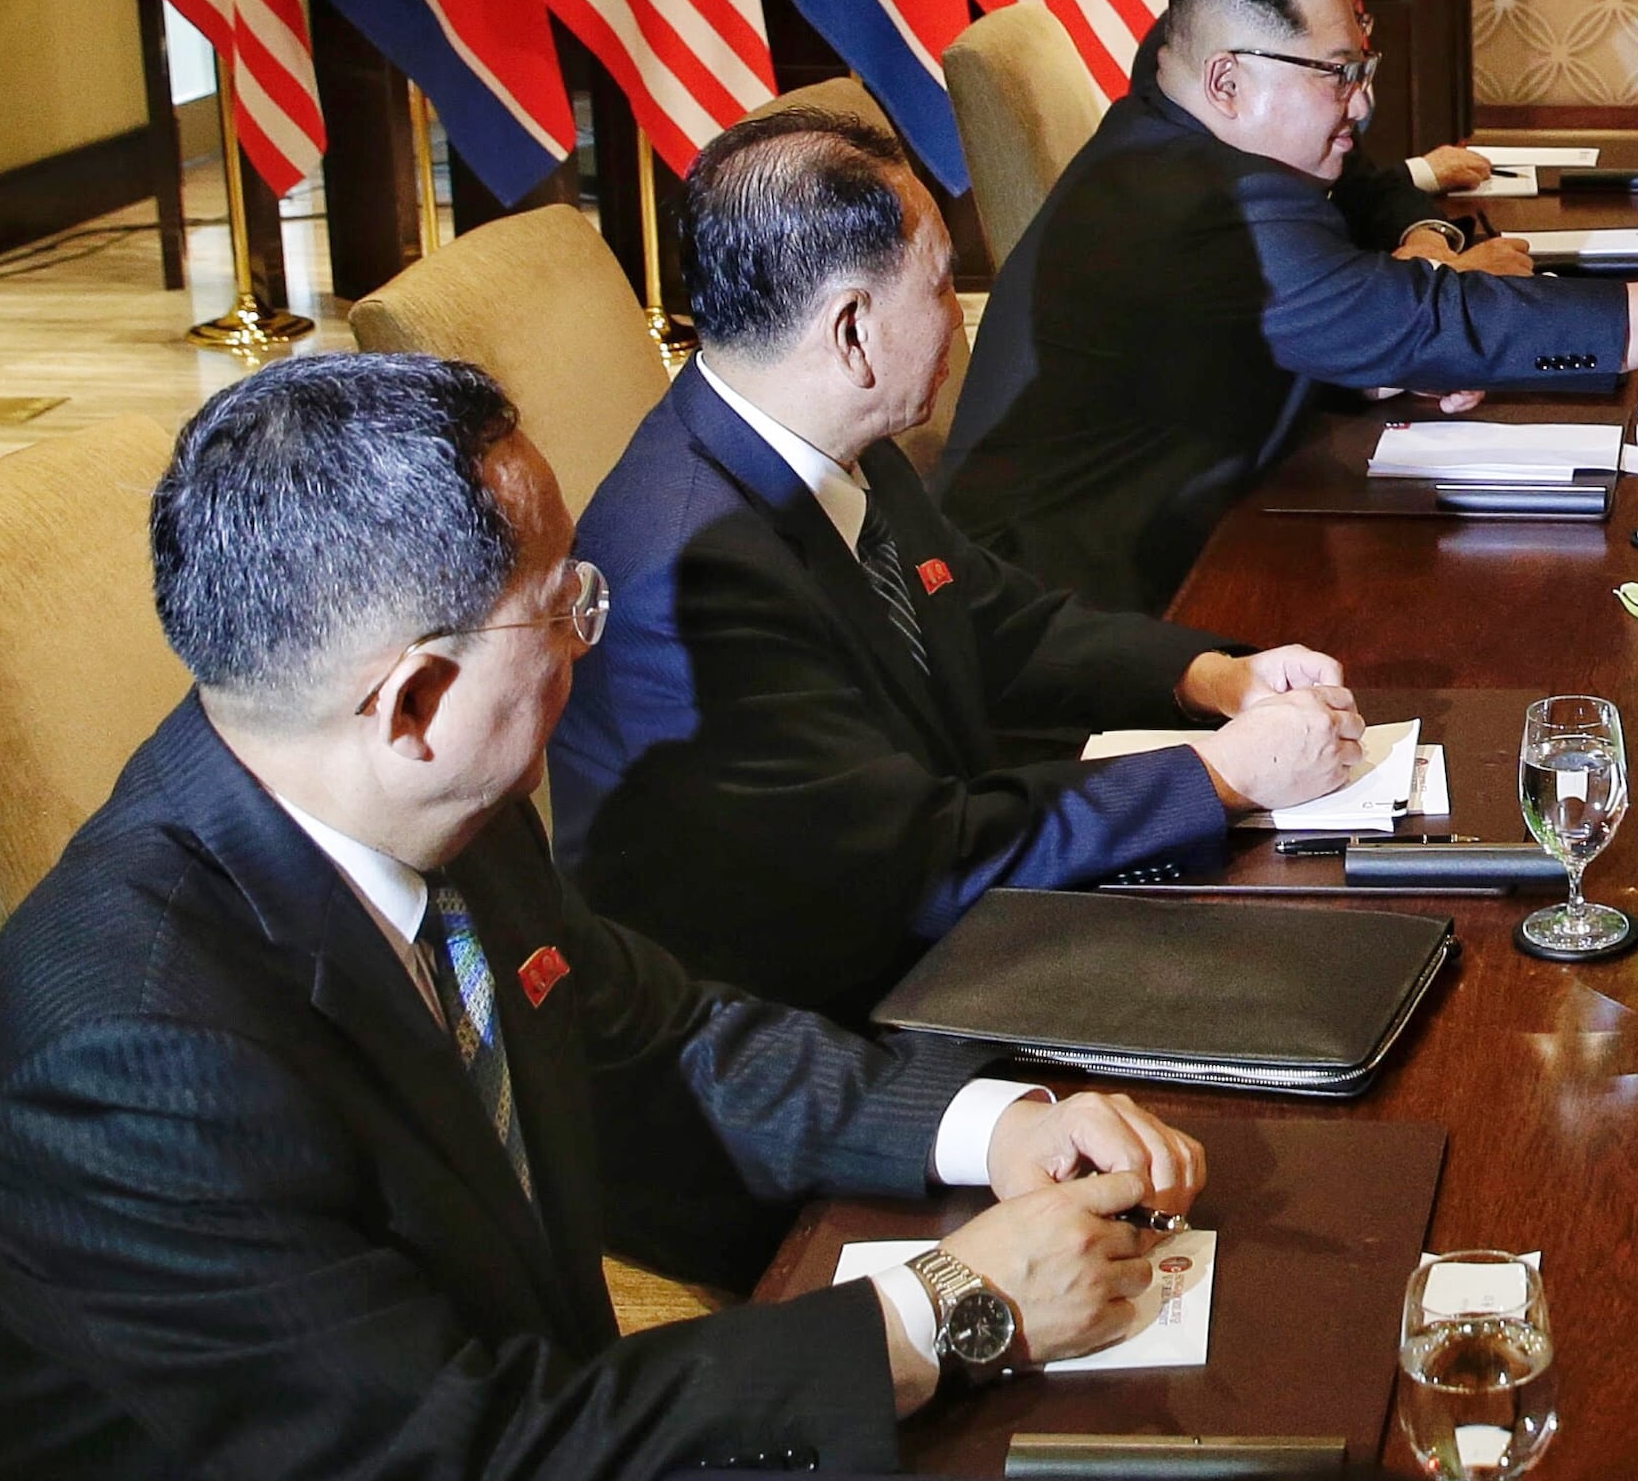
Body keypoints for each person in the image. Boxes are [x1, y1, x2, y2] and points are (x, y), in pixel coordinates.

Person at [0, 354, 1216, 1480]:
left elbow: (663, 1034)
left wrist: (989, 1126)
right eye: (568, 604)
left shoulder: (418, 808)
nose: (596, 636)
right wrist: (952, 1311)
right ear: (414, 702)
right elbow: (475, 1452)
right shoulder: (135, 1067)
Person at [551, 110, 1371, 1024]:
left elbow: (990, 620)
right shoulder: (688, 573)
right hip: (823, 1020)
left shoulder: (824, 434)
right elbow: (914, 865)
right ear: (852, 333)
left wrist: (1210, 677)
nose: (958, 317)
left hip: (946, 905)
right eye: (942, 287)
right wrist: (1220, 777)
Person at [946, 0, 1638, 609]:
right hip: (1087, 607)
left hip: (1189, 536)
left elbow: (1243, 346)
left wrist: (1369, 372)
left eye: (1362, 65)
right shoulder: (1207, 197)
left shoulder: (1166, 137)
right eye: (1338, 73)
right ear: (1228, 82)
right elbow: (1439, 322)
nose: (1367, 101)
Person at [1207, 0, 1518, 269]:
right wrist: (1443, 282)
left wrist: (1427, 237)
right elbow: (1291, 270)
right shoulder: (1200, 47)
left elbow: (1360, 184)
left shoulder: (1311, 32)